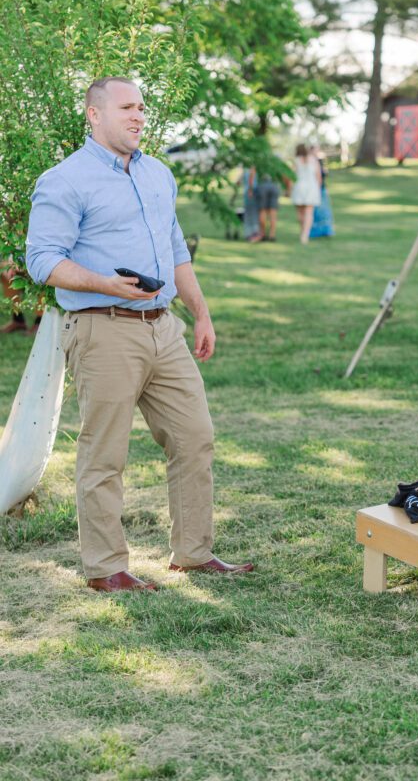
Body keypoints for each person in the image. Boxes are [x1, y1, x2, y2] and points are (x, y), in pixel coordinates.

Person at [26, 76, 254, 592]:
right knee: (105, 454)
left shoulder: (157, 173)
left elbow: (176, 250)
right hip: (102, 331)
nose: (138, 117)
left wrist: (200, 311)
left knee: (195, 437)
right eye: (127, 108)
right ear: (94, 114)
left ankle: (192, 554)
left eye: (142, 108)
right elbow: (41, 260)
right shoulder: (65, 179)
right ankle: (106, 568)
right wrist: (105, 283)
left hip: (164, 328)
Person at [290, 143, 321, 244]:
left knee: (300, 212)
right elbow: (318, 177)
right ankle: (305, 234)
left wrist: (289, 189)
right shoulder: (314, 160)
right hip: (311, 187)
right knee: (309, 212)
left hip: (299, 186)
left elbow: (291, 176)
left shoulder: (296, 161)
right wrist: (319, 189)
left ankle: (303, 230)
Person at [309, 147, 335, 240]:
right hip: (314, 190)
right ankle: (315, 231)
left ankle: (326, 231)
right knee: (316, 211)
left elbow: (323, 177)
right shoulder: (310, 162)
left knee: (324, 210)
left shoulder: (320, 162)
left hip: (322, 189)